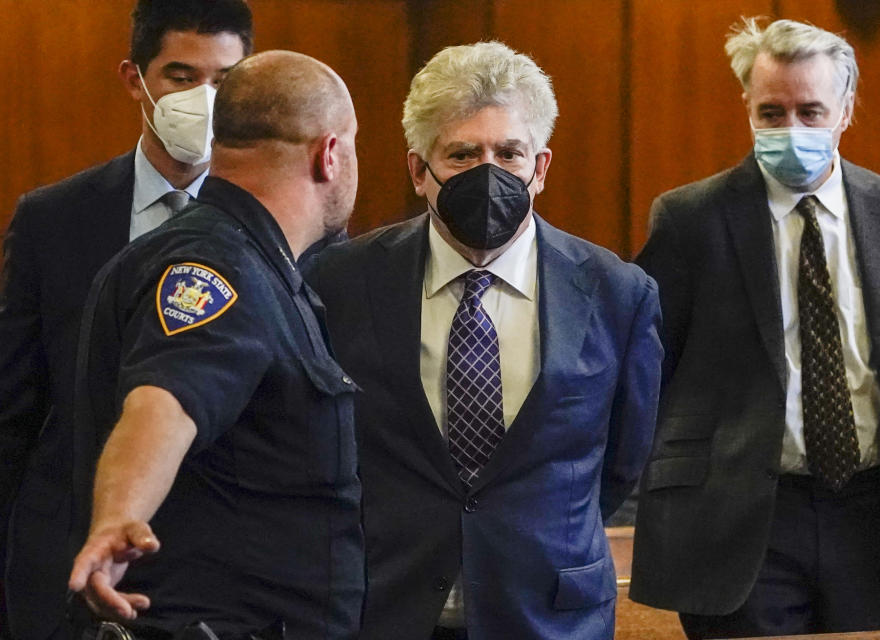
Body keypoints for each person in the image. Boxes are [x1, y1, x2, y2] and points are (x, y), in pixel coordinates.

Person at [303, 41, 662, 640]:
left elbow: (623, 456)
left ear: (540, 168)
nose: (489, 172)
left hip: (550, 611)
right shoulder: (339, 281)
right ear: (420, 170)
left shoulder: (617, 292)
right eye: (463, 154)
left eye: (509, 153)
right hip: (384, 605)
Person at [630, 17, 880, 638]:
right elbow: (654, 364)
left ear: (847, 109)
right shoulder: (690, 218)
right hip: (743, 513)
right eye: (772, 112)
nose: (792, 130)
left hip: (875, 514)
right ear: (747, 106)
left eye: (811, 111)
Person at [67, 49, 363, 638]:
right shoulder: (218, 266)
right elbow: (165, 401)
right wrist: (122, 516)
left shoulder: (259, 262)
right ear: (330, 155)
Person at [0, 2, 251, 636]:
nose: (204, 98)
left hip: (218, 571)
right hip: (65, 564)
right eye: (181, 76)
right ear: (134, 79)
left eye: (225, 79)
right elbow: (13, 413)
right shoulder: (51, 221)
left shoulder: (281, 229)